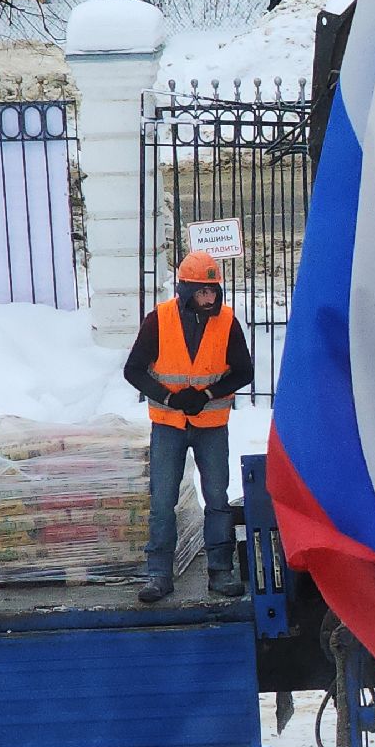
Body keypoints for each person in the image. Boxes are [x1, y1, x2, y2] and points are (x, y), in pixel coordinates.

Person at [124, 251, 253, 604]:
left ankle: (220, 571)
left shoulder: (227, 322)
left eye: (214, 291)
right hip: (168, 425)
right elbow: (133, 370)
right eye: (202, 292)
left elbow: (245, 372)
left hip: (211, 424)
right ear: (186, 290)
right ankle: (158, 574)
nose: (210, 298)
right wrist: (169, 398)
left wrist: (208, 394)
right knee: (162, 500)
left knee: (217, 498)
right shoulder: (159, 320)